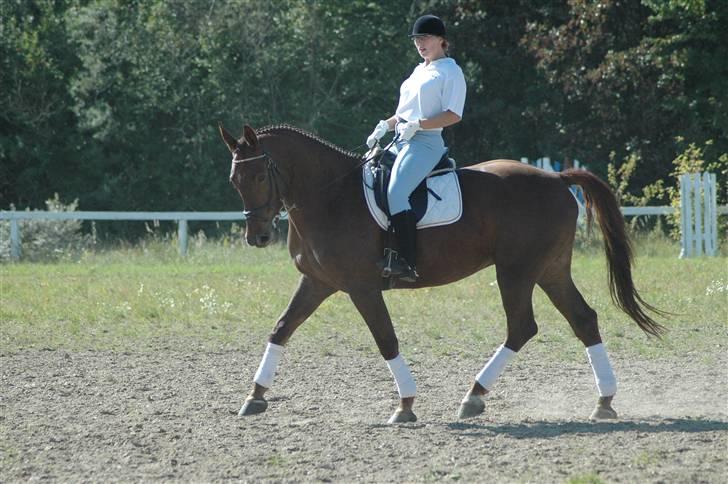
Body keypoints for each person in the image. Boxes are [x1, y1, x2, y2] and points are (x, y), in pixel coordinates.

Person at [366, 14, 467, 282]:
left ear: (442, 40)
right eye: (416, 39)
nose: (420, 43)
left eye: (426, 38)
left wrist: (420, 125)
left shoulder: (451, 72)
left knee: (396, 192)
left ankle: (407, 262)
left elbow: (454, 115)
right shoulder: (418, 71)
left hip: (426, 143)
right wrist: (383, 126)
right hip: (400, 139)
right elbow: (402, 114)